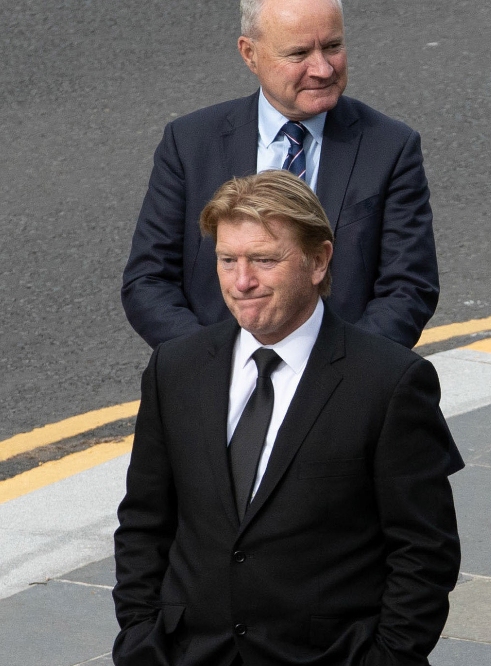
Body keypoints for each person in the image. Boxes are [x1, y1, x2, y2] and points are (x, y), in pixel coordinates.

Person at [112, 170, 462, 666]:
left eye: (264, 260)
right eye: (227, 260)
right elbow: (145, 521)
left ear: (318, 260)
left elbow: (424, 551)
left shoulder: (390, 382)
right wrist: (142, 639)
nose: (242, 281)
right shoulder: (177, 368)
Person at [122, 0, 439, 349]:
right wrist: (215, 368)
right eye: (299, 54)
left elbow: (409, 287)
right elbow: (149, 281)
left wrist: (342, 375)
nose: (322, 68)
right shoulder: (190, 143)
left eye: (332, 47)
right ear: (249, 53)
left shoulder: (390, 147)